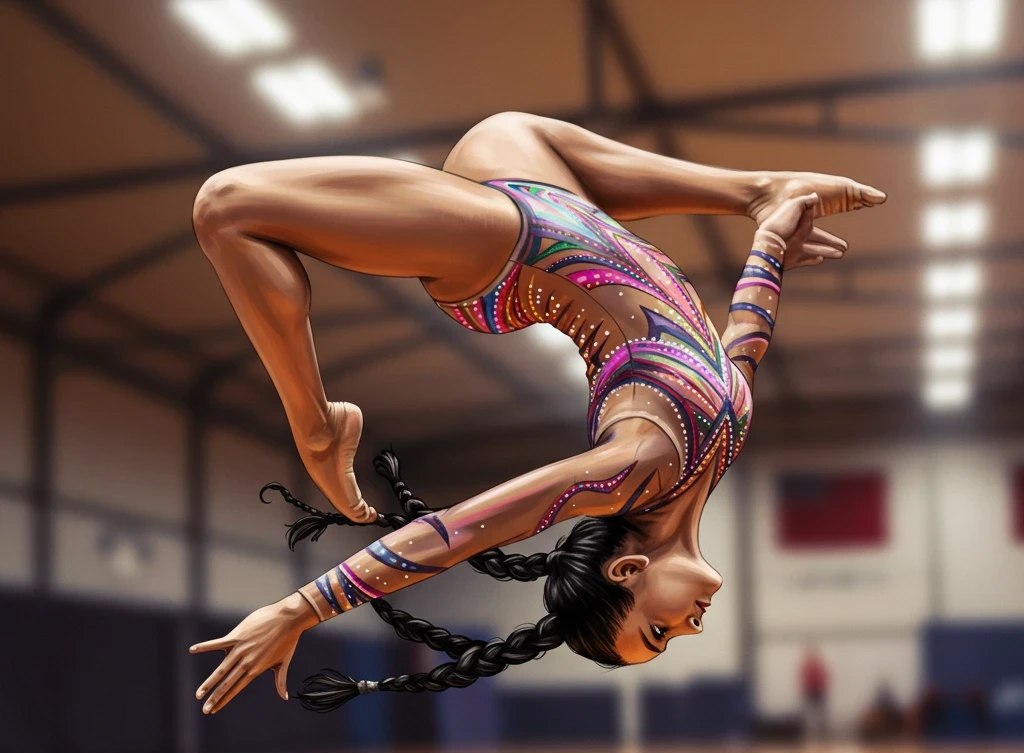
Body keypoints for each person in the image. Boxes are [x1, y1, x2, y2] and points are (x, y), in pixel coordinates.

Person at [188, 111, 885, 714]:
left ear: (626, 574)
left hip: (505, 254)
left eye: (659, 631)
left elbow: (454, 534)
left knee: (227, 207)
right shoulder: (716, 451)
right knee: (507, 127)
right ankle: (757, 192)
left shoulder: (632, 469)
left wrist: (300, 609)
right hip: (549, 192)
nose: (690, 628)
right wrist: (770, 246)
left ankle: (317, 427)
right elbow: (743, 350)